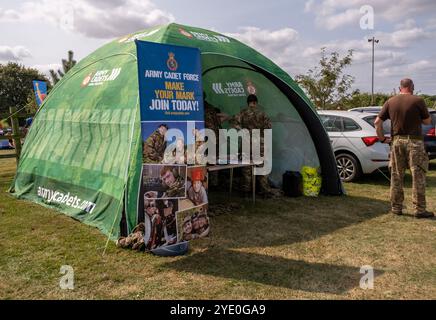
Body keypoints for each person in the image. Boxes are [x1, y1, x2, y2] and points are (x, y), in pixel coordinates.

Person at [375, 78, 434, 218]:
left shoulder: (390, 101)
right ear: (412, 87)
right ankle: (419, 209)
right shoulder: (418, 100)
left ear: (399, 87)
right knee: (417, 175)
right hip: (415, 142)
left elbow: (377, 122)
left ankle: (396, 207)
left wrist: (382, 138)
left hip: (396, 142)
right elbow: (427, 121)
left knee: (396, 175)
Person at [230, 94, 279, 197]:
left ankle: (246, 190)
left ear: (248, 102)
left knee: (246, 167)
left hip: (246, 143)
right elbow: (269, 127)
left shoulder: (242, 113)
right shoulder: (262, 113)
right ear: (256, 102)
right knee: (261, 166)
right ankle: (264, 190)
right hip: (260, 143)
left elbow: (235, 125)